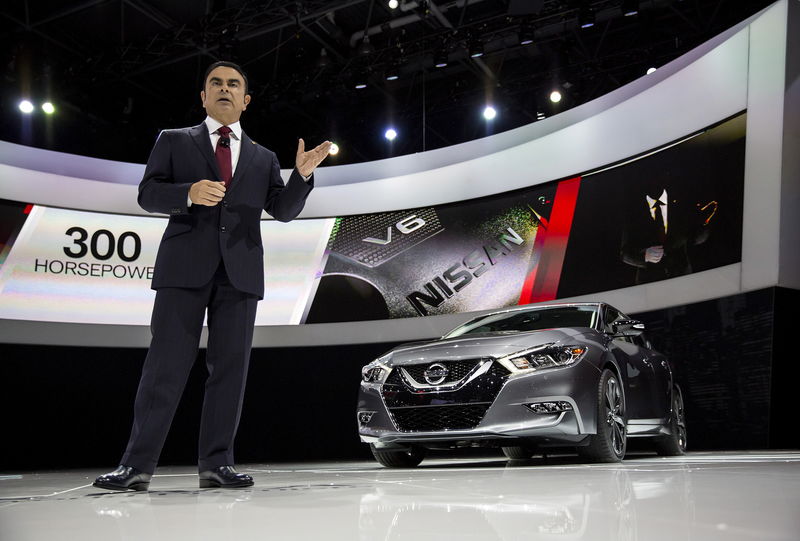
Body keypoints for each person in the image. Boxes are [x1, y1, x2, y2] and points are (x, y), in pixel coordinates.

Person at [93, 61, 331, 491]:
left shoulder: (264, 157)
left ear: (246, 100)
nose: (225, 89)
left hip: (238, 276)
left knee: (230, 373)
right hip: (183, 270)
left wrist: (302, 176)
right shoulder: (173, 140)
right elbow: (148, 193)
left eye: (234, 84)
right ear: (203, 97)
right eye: (216, 83)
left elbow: (283, 210)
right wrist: (187, 193)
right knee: (164, 369)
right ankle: (136, 466)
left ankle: (216, 465)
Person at [620, 176, 716, 284]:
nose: (654, 181)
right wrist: (645, 256)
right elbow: (625, 254)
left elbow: (695, 238)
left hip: (681, 279)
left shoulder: (681, 204)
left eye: (658, 176)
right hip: (650, 283)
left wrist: (704, 223)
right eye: (649, 177)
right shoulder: (633, 213)